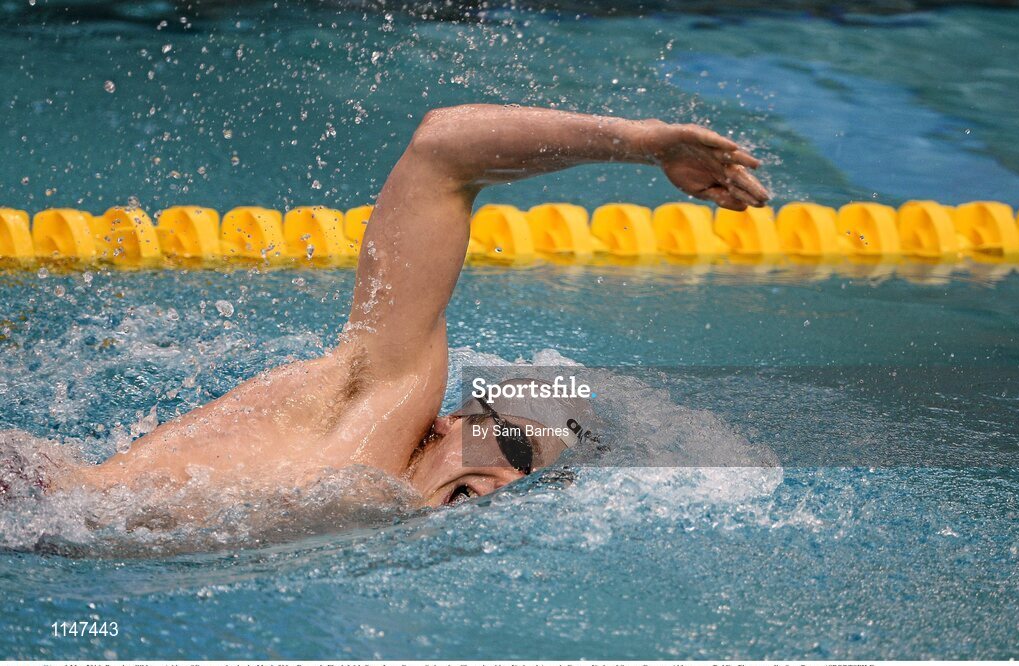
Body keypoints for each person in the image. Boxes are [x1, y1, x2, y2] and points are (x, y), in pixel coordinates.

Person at [37, 104, 768, 508]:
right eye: (510, 451)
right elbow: (442, 150)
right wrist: (641, 145)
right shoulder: (380, 402)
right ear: (445, 422)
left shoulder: (382, 511)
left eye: (528, 484)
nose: (506, 485)